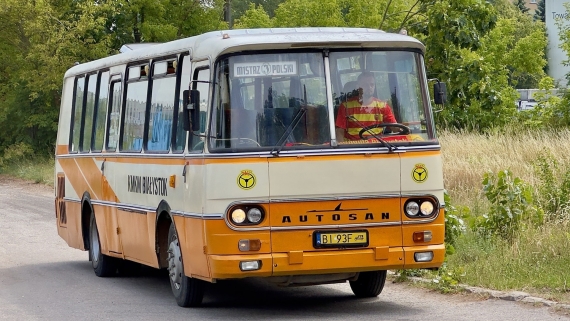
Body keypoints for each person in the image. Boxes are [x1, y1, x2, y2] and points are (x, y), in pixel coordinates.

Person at [335, 71, 397, 142]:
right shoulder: (346, 106)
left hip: (378, 146)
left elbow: (394, 127)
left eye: (372, 85)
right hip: (353, 148)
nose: (369, 87)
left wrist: (405, 130)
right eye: (365, 85)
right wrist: (344, 149)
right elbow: (339, 132)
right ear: (358, 87)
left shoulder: (383, 106)